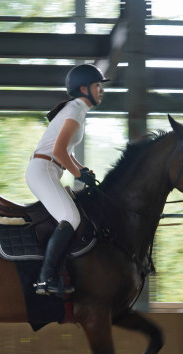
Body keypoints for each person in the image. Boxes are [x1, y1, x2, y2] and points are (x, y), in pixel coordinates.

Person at [26, 63, 108, 297]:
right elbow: (60, 152)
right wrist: (78, 173)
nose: (101, 90)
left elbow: (66, 153)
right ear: (84, 88)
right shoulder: (75, 111)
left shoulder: (76, 110)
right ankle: (45, 279)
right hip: (44, 170)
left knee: (73, 215)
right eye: (97, 85)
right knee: (70, 217)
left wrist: (84, 170)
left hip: (49, 169)